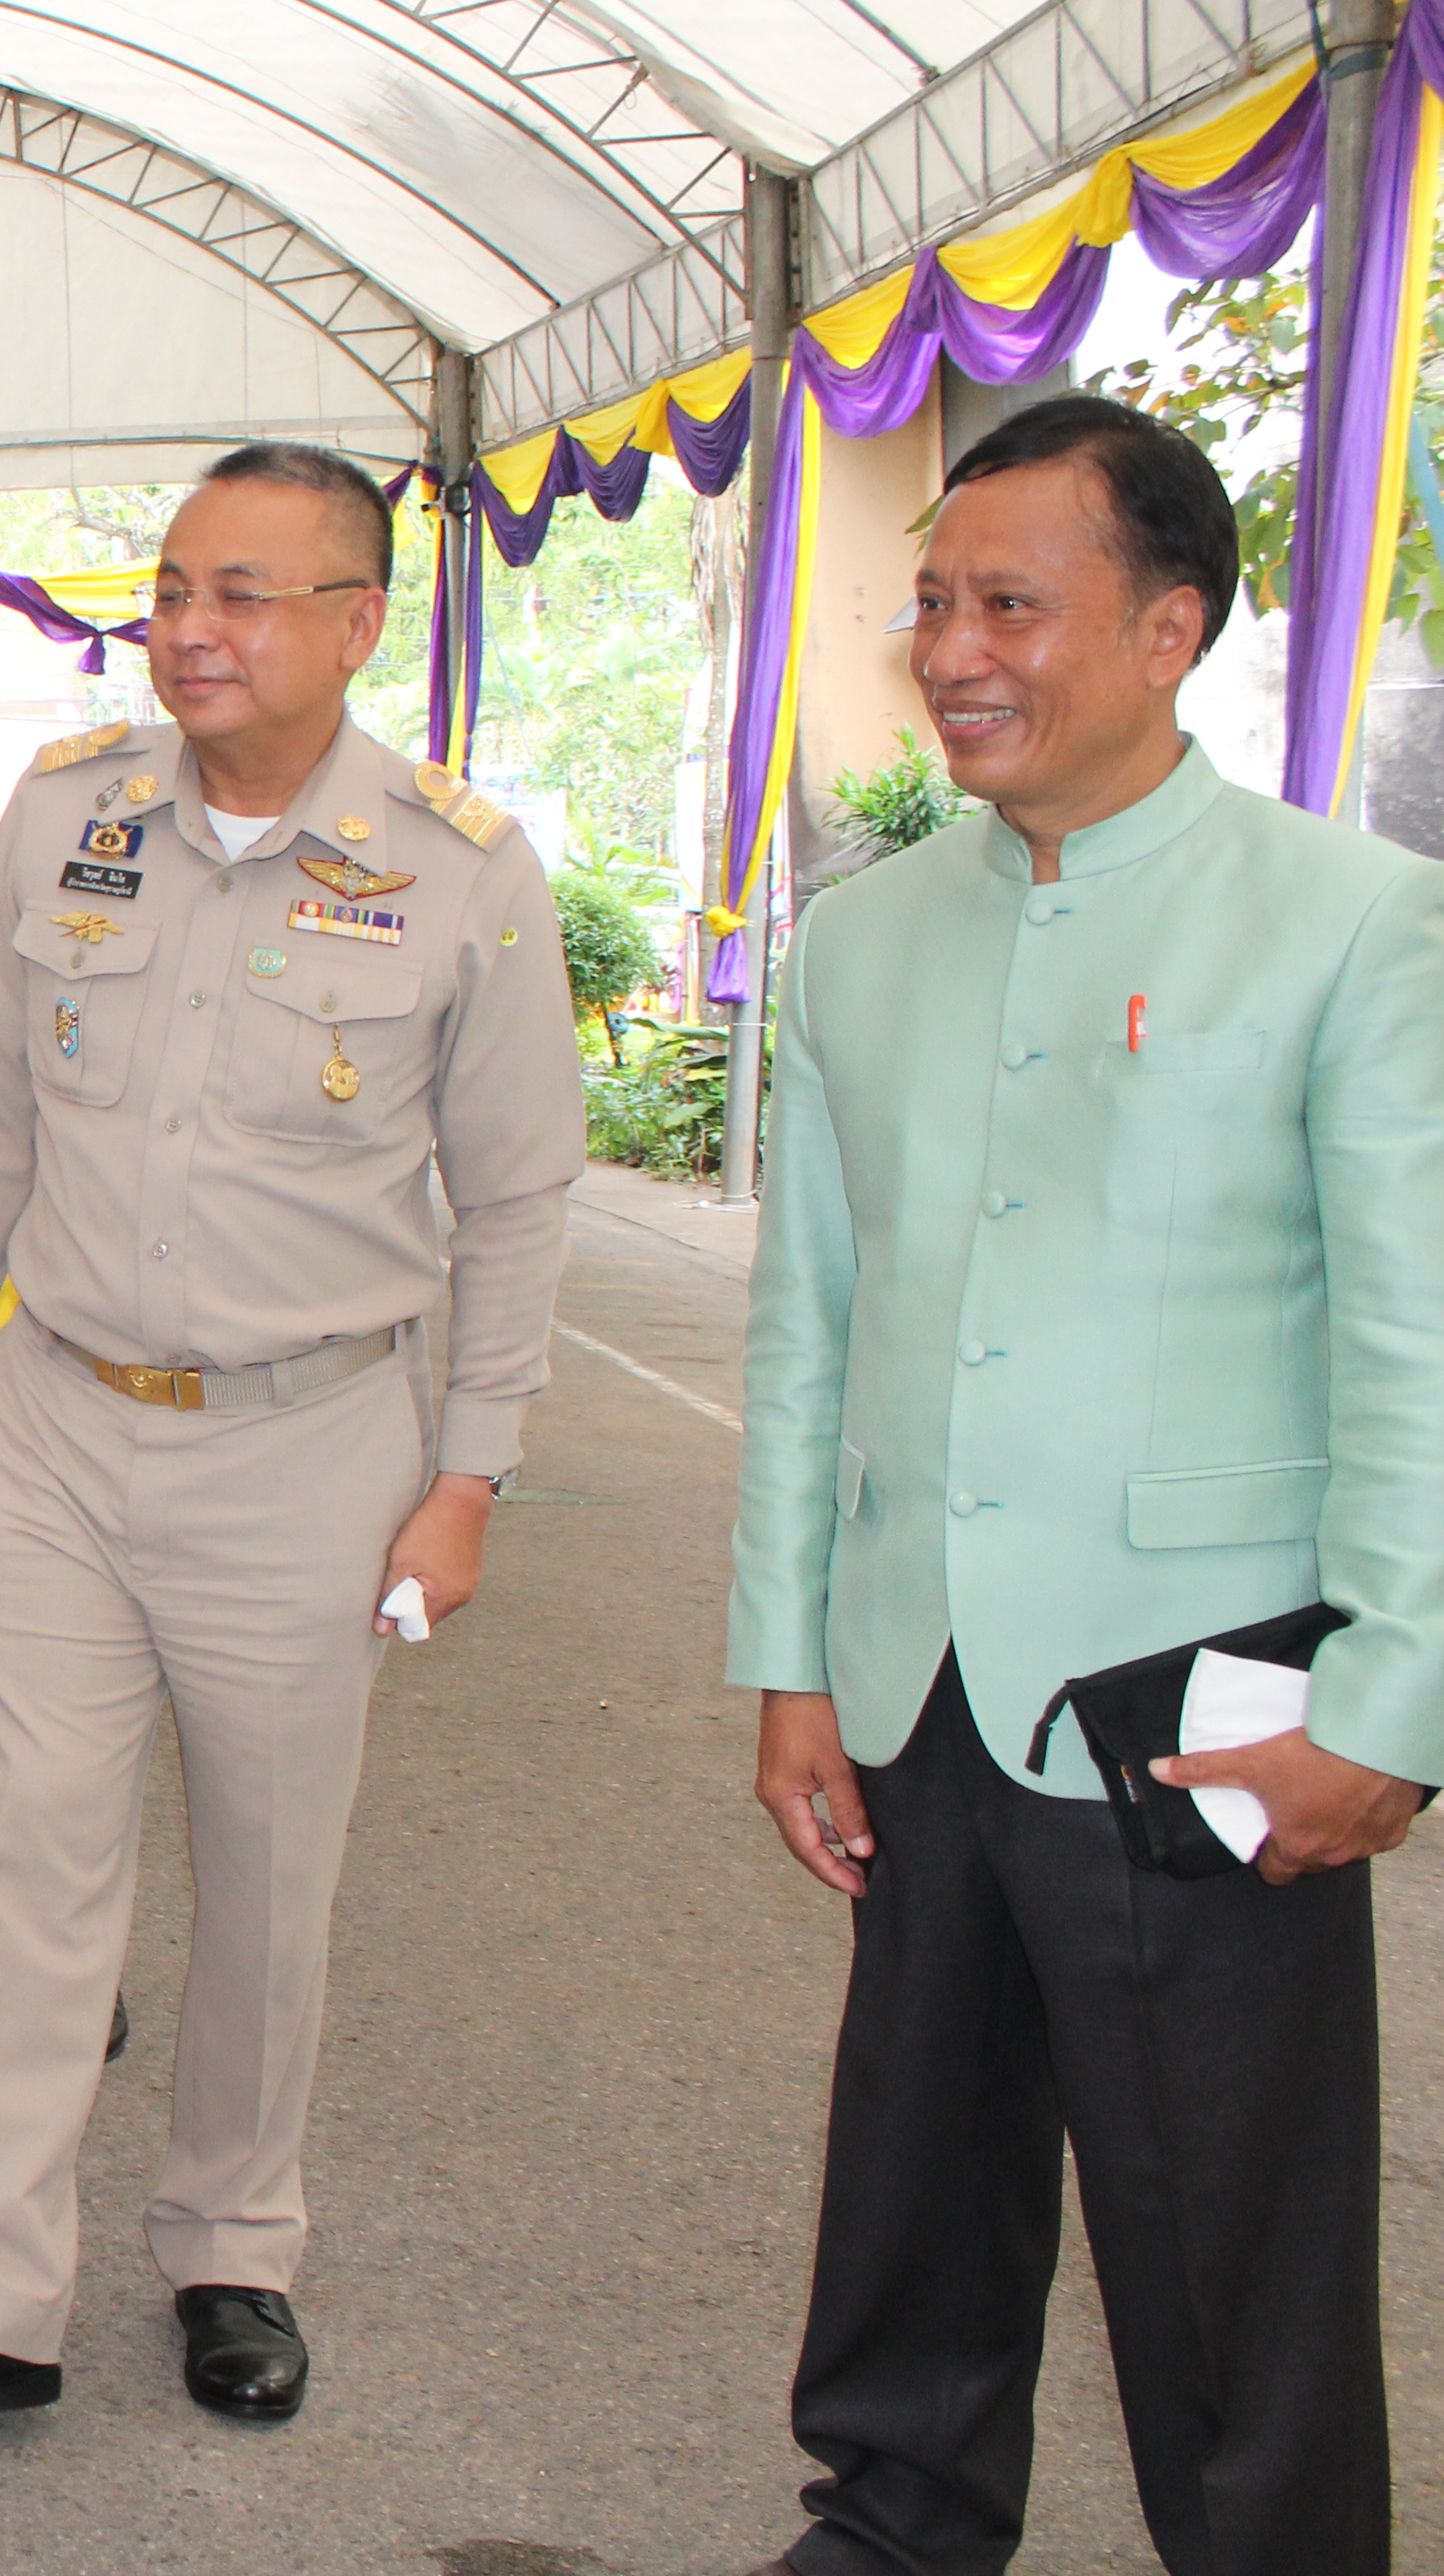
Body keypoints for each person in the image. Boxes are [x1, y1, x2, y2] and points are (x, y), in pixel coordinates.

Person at [0, 442, 581, 2436]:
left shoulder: (459, 865)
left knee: (262, 1874)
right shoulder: (69, 813)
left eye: (242, 592)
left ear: (351, 623)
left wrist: (465, 1469)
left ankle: (231, 2239)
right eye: (170, 586)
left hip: (306, 1444)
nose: (190, 628)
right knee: (36, 1856)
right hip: (52, 1419)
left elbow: (514, 1197)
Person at [726, 397, 1444, 2576]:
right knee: (918, 2164)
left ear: (1168, 628)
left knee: (1226, 2229)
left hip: (1204, 1688)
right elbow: (807, 1340)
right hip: (923, 1672)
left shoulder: (1351, 922)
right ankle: (898, 2516)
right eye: (932, 601)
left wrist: (1393, 1708)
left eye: (1008, 603)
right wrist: (787, 1663)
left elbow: (1419, 1349)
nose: (952, 647)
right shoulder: (866, 939)